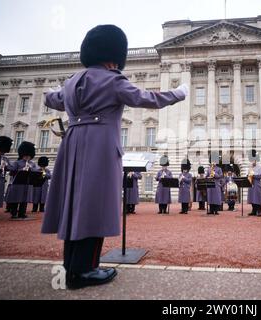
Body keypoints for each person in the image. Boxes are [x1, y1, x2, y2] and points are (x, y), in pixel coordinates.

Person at [41, 25, 188, 289]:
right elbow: (148, 98)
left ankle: (70, 268)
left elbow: (53, 100)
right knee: (93, 206)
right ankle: (85, 271)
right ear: (114, 57)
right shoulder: (113, 79)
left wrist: (49, 92)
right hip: (99, 146)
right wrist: (179, 93)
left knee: (75, 205)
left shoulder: (73, 80)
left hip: (72, 145)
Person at [6, 142, 38, 219]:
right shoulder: (17, 162)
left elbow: (36, 171)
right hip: (17, 183)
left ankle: (22, 213)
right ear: (22, 154)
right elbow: (12, 171)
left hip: (27, 183)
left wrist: (31, 169)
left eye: (29, 155)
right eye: (26, 155)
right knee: (16, 199)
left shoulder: (32, 164)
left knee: (25, 199)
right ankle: (13, 213)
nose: (27, 157)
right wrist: (21, 169)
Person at [247, 150, 261, 217]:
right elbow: (248, 174)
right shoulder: (250, 167)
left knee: (257, 198)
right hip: (251, 184)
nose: (252, 162)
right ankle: (253, 211)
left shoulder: (259, 167)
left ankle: (259, 211)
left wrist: (253, 175)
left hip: (257, 184)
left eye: (253, 160)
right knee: (252, 198)